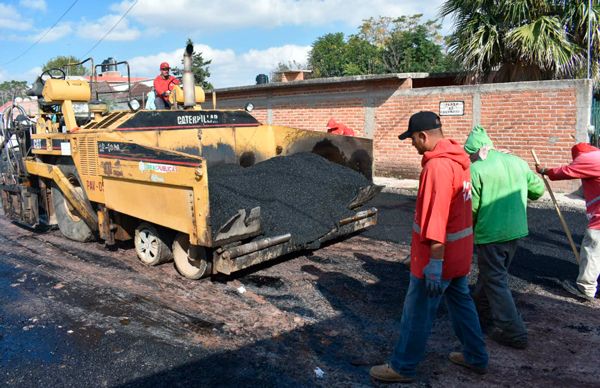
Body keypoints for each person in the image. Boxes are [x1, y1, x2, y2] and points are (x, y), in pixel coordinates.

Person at [370, 111, 488, 383]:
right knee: (462, 305)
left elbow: (437, 217)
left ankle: (402, 366)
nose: (412, 144)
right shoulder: (460, 160)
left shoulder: (437, 167)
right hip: (459, 254)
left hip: (438, 258)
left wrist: (434, 263)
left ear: (423, 135)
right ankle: (475, 356)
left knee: (417, 313)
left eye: (412, 139)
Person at [464, 125, 545, 350]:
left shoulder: (476, 169)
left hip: (491, 234)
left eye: (469, 153)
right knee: (492, 275)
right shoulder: (517, 162)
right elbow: (538, 191)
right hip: (515, 230)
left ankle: (514, 332)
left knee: (496, 280)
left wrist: (466, 231)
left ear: (474, 150)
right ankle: (481, 313)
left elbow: (473, 208)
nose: (470, 157)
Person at [536, 142, 600, 302]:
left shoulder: (588, 159)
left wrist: (544, 170)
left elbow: (564, 172)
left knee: (591, 250)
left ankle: (587, 289)